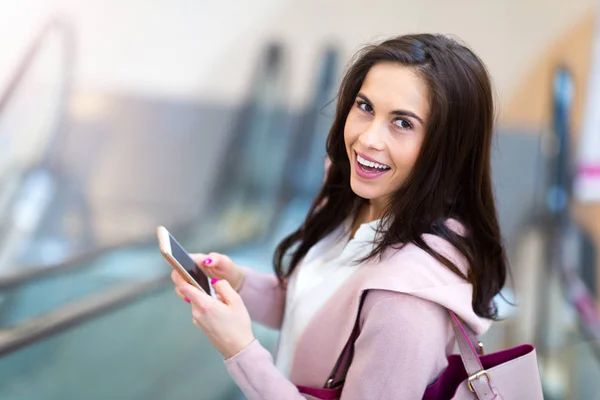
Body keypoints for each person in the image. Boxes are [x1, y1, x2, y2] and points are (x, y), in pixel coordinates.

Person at [171, 33, 507, 399]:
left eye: (403, 123)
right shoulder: (352, 199)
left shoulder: (405, 306)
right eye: (365, 107)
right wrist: (239, 284)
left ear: (448, 147)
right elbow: (325, 319)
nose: (367, 139)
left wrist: (241, 351)